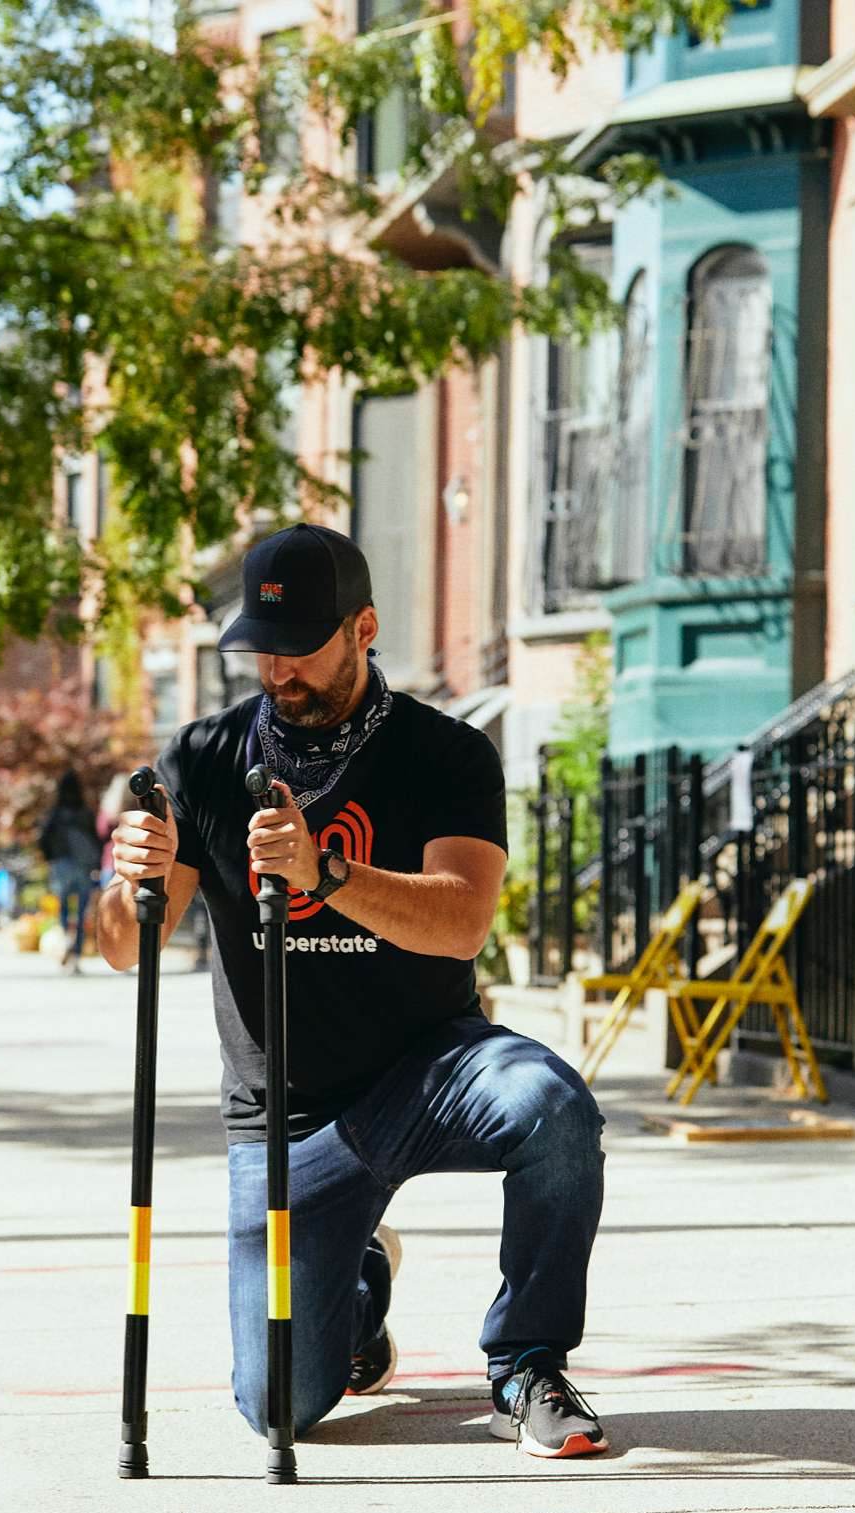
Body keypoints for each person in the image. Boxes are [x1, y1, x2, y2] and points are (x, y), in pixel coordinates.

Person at [99, 522, 608, 1459]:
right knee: (281, 1409)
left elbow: (461, 921)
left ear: (364, 627)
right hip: (284, 1119)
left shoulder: (446, 755)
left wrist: (324, 872)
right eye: (262, 652)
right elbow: (125, 948)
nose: (279, 673)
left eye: (300, 650)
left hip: (433, 1071)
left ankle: (526, 1361)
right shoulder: (202, 759)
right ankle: (359, 1276)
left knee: (554, 1108)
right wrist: (127, 876)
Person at [39, 771, 104, 974]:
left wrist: (51, 857)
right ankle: (76, 956)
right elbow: (96, 840)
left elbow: (42, 838)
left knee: (64, 911)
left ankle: (66, 939)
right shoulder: (86, 812)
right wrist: (96, 866)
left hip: (61, 865)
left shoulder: (55, 813)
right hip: (83, 867)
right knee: (82, 911)